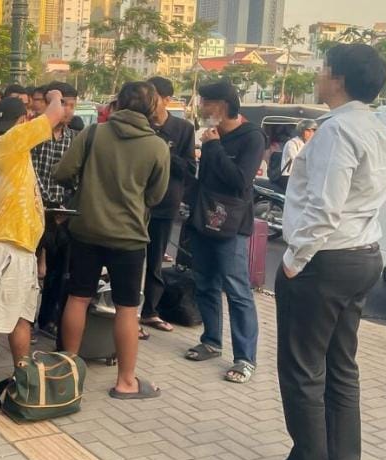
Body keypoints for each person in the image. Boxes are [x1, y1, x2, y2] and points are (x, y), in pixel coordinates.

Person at [252, 44, 386, 460]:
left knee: (303, 374)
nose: (318, 76)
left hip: (324, 260)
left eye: (323, 69)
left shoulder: (337, 132)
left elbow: (324, 208)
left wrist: (293, 260)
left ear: (338, 78)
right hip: (362, 255)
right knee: (341, 371)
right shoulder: (378, 129)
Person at [54, 81, 169, 400]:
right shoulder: (157, 146)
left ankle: (67, 372)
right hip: (129, 237)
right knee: (127, 309)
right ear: (151, 108)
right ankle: (126, 381)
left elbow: (62, 172)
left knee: (78, 298)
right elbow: (156, 196)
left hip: (86, 230)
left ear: (117, 103)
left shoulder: (93, 133)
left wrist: (87, 186)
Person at [0, 90, 65, 416]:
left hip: (21, 250)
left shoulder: (12, 149)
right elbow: (55, 114)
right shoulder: (11, 143)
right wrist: (55, 94)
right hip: (5, 249)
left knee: (22, 321)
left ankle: (23, 382)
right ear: (22, 121)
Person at [182, 81, 264, 384]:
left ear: (223, 105)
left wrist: (214, 147)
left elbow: (240, 182)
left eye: (206, 102)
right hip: (203, 220)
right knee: (205, 283)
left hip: (232, 227)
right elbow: (207, 179)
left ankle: (245, 358)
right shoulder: (212, 135)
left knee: (237, 290)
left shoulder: (252, 137)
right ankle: (211, 341)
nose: (202, 108)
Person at [140, 77, 196, 335]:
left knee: (155, 260)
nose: (149, 103)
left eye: (153, 98)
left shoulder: (183, 129)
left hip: (164, 204)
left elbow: (189, 169)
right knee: (130, 259)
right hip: (136, 204)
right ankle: (125, 310)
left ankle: (150, 311)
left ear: (166, 100)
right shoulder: (140, 124)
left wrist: (164, 152)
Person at [31, 81, 78, 340]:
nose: (68, 110)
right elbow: (30, 171)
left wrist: (65, 207)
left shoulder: (75, 139)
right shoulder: (35, 133)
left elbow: (77, 176)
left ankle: (47, 319)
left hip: (63, 214)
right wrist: (44, 202)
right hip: (35, 210)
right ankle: (24, 320)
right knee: (29, 271)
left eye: (72, 105)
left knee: (58, 273)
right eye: (64, 104)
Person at [273, 119, 317, 190]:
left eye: (313, 131)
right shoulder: (292, 143)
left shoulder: (310, 145)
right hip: (288, 176)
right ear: (301, 131)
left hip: (301, 177)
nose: (311, 133)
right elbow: (297, 161)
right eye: (308, 131)